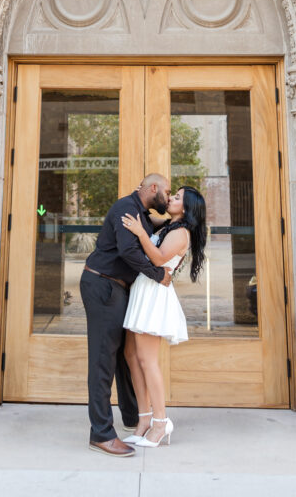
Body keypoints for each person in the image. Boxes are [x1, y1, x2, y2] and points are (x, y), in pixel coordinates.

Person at [80, 173, 173, 458]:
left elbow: (162, 223)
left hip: (118, 289)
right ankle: (101, 434)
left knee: (123, 357)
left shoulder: (141, 214)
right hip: (102, 284)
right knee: (102, 360)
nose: (168, 199)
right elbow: (128, 250)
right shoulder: (125, 208)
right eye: (167, 193)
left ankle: (133, 418)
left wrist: (181, 216)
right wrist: (159, 275)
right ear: (153, 188)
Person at [121, 185, 208, 448]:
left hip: (154, 295)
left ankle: (161, 423)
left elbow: (158, 258)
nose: (170, 198)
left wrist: (138, 232)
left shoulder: (181, 233)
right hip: (143, 290)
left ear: (187, 207)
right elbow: (151, 215)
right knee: (132, 357)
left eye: (177, 197)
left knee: (147, 360)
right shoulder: (170, 226)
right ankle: (144, 420)